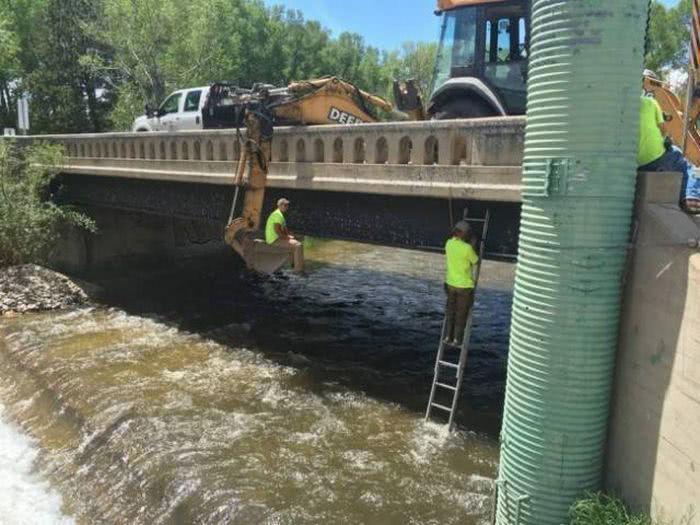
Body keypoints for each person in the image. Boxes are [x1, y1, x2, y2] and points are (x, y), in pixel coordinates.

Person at [638, 94, 700, 214]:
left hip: (635, 162)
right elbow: (663, 129)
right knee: (681, 160)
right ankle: (691, 196)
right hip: (655, 157)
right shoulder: (650, 102)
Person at [444, 220, 479, 346]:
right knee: (461, 313)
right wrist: (474, 245)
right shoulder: (468, 248)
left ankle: (448, 336)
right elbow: (475, 261)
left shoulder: (448, 244)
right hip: (464, 286)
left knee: (451, 311)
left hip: (450, 284)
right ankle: (457, 339)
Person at [265, 197, 304, 272]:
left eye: (287, 205)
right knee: (298, 245)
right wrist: (288, 238)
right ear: (279, 206)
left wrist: (292, 236)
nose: (286, 207)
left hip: (276, 238)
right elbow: (278, 232)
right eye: (284, 205)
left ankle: (293, 265)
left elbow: (285, 230)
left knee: (297, 241)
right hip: (274, 240)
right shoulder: (278, 215)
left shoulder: (280, 215)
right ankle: (298, 270)